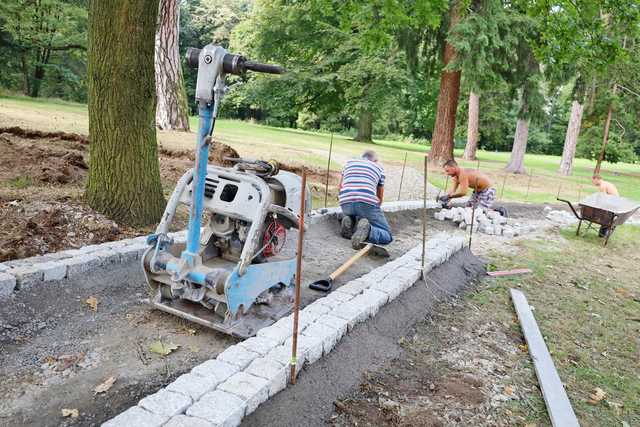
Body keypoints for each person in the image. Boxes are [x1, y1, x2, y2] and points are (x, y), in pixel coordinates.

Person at [338, 150, 393, 249]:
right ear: (375, 161)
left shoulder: (349, 163)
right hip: (366, 204)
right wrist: (372, 215)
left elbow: (340, 187)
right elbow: (379, 198)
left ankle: (349, 221)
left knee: (356, 213)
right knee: (387, 235)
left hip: (345, 202)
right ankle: (369, 231)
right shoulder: (379, 168)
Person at [438, 159, 507, 216]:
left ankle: (499, 211)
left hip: (488, 190)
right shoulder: (455, 176)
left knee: (480, 212)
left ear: (454, 168)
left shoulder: (462, 174)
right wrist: (447, 200)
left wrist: (449, 196)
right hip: (477, 191)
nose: (447, 173)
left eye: (448, 171)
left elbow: (463, 192)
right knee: (468, 209)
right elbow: (453, 190)